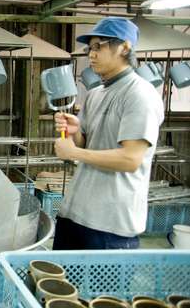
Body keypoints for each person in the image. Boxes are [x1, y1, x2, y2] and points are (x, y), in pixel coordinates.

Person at [51, 17, 164, 250]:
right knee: (61, 286)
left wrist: (75, 152)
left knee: (101, 288)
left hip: (110, 224)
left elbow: (130, 159)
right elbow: (88, 145)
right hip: (75, 213)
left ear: (124, 47)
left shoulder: (139, 94)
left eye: (98, 46)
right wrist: (75, 133)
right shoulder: (95, 94)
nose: (91, 54)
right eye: (89, 48)